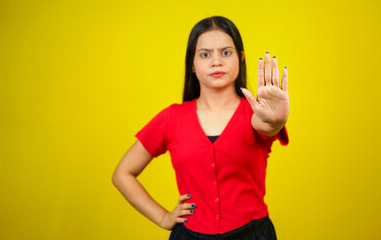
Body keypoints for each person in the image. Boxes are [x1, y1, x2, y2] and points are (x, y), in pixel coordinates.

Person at [112, 16, 290, 240]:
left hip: (252, 234)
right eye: (205, 54)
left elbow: (267, 125)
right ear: (192, 65)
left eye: (226, 52)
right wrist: (163, 217)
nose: (216, 61)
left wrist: (276, 119)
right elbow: (122, 174)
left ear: (241, 58)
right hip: (189, 236)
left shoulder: (254, 114)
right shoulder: (171, 118)